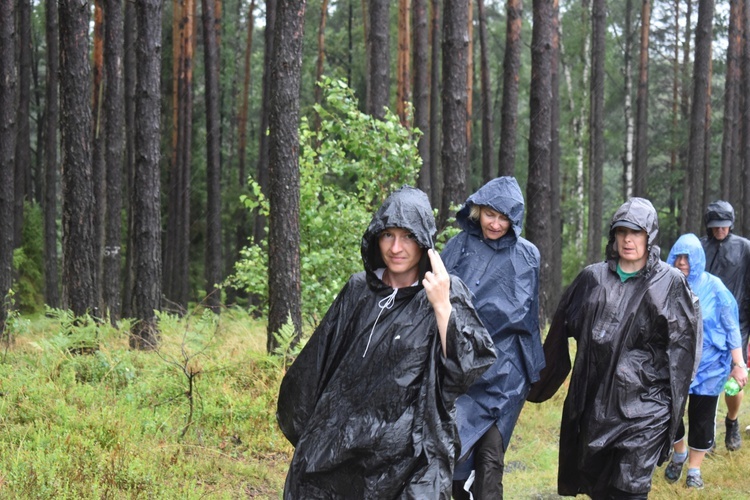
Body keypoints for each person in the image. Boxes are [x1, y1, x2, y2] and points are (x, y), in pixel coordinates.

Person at [276, 186, 497, 499]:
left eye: (407, 236)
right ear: (375, 238)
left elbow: (463, 372)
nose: (396, 247)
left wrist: (442, 306)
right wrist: (313, 433)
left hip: (411, 452)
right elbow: (317, 368)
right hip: (345, 443)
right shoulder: (358, 291)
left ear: (424, 243)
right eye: (388, 235)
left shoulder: (445, 291)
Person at [527, 197, 700, 499]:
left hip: (645, 408)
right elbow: (558, 332)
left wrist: (668, 408)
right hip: (594, 406)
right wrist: (538, 382)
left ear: (650, 236)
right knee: (601, 487)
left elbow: (684, 350)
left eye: (636, 233)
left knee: (630, 489)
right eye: (622, 232)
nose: (628, 240)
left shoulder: (670, 284)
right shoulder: (592, 278)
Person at [441, 177, 545, 499]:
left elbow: (529, 318)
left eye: (504, 218)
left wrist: (533, 371)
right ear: (478, 211)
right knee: (453, 456)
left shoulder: (528, 255)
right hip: (461, 368)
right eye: (490, 214)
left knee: (490, 458)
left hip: (506, 374)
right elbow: (436, 303)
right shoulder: (456, 248)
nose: (496, 224)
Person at [662, 233, 747, 489]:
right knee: (669, 415)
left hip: (709, 366)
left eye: (688, 257)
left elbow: (732, 326)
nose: (682, 262)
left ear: (699, 259)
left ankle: (694, 470)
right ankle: (679, 454)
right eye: (678, 256)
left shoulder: (715, 287)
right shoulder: (664, 285)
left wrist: (738, 364)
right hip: (673, 366)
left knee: (702, 418)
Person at [700, 200, 750, 451]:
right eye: (715, 226)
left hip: (737, 322)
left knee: (733, 379)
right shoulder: (699, 248)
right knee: (705, 380)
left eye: (724, 226)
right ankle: (705, 437)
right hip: (705, 324)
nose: (720, 230)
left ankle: (731, 422)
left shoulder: (745, 248)